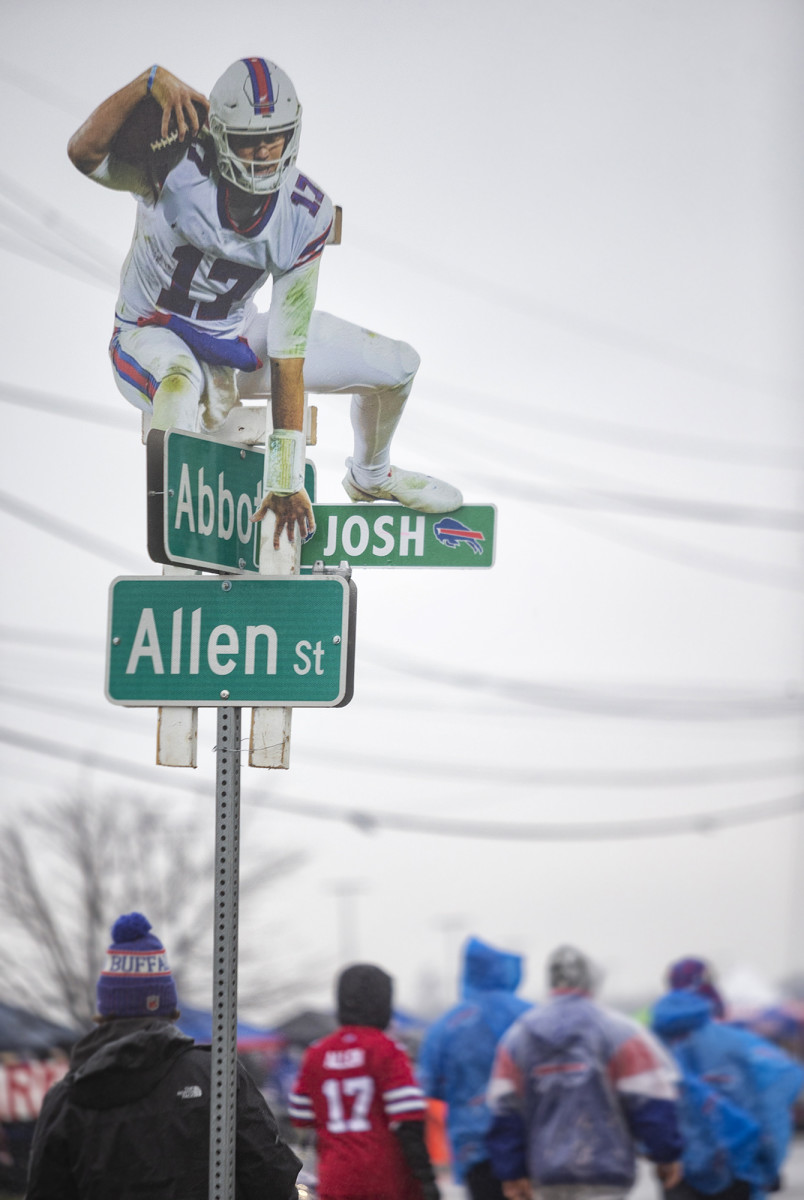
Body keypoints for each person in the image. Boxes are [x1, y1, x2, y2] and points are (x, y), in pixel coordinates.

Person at [67, 59, 462, 549]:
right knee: (178, 385)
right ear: (216, 134)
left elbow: (288, 352)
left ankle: (371, 475)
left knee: (398, 365)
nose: (262, 152)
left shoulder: (304, 213)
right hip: (151, 331)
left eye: (273, 137)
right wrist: (148, 82)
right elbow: (84, 151)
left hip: (234, 336)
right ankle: (182, 541)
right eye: (249, 139)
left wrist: (283, 477)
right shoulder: (173, 164)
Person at [25, 912, 301, 1199]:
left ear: (105, 1011)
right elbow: (274, 1181)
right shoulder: (215, 1077)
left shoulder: (67, 1099)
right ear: (169, 1009)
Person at [486, 945, 683, 1200]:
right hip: (608, 1176)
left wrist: (511, 1172)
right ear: (590, 979)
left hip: (547, 1177)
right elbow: (649, 1100)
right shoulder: (619, 1031)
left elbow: (504, 1108)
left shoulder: (518, 1037)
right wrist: (666, 1155)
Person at [651, 956, 804, 1200]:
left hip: (679, 1171)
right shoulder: (738, 1044)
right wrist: (768, 1163)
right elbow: (768, 1104)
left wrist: (659, 1155)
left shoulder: (652, 1043)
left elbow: (644, 1109)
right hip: (737, 1168)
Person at [288, 962, 440, 1200]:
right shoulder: (387, 1049)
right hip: (385, 1179)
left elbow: (301, 1115)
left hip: (334, 1177)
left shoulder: (316, 1053)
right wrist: (426, 1179)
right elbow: (409, 1121)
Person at [418, 936, 533, 1200]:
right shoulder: (532, 1017)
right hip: (531, 1143)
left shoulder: (446, 1027)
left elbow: (429, 1084)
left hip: (474, 1148)